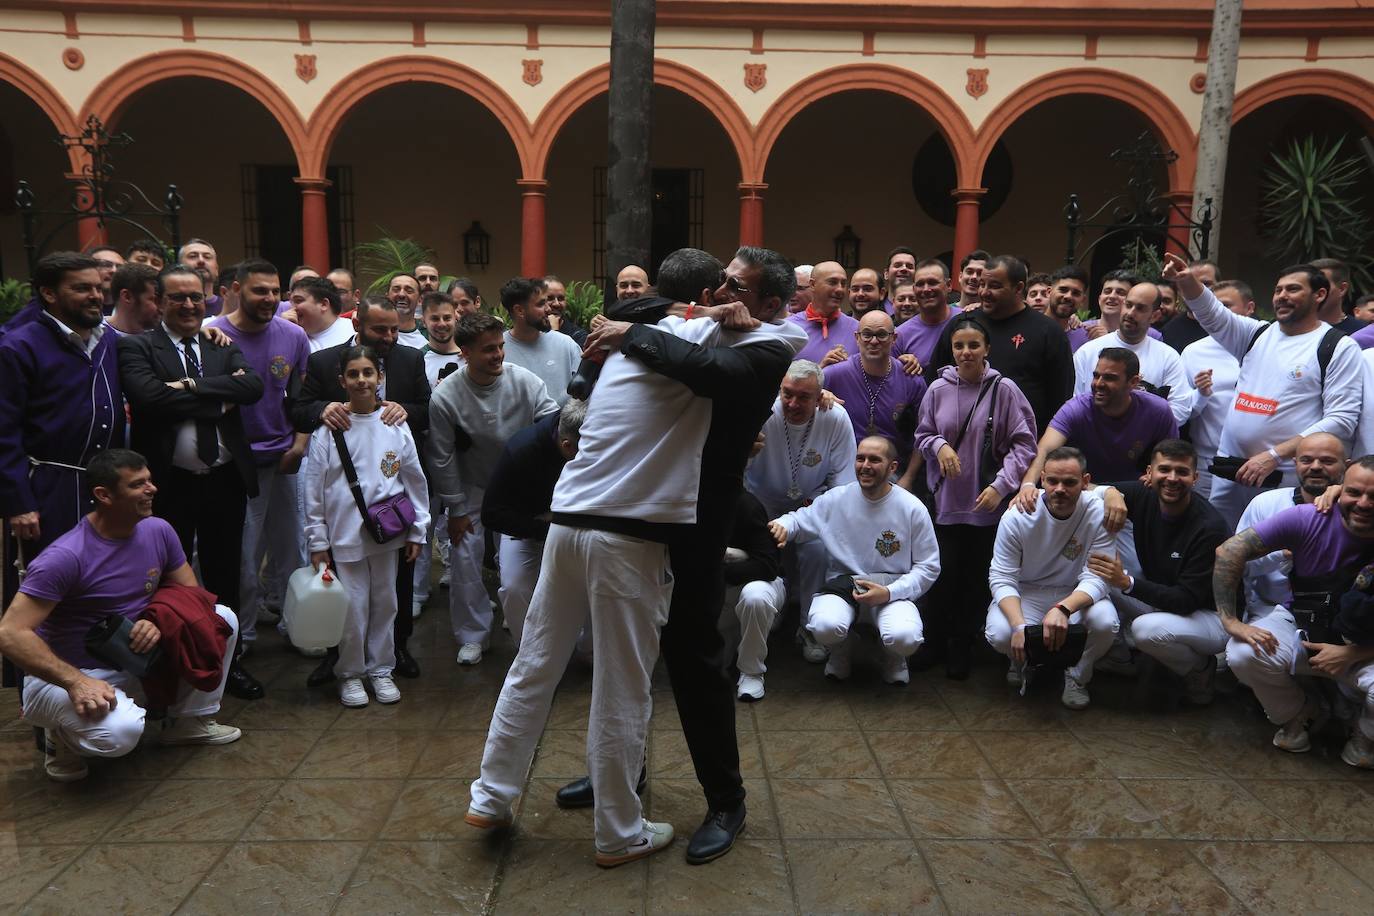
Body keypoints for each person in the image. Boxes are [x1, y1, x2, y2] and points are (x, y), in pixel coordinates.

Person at [469, 247, 806, 868]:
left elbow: (709, 370)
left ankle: (724, 801)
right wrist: (645, 322)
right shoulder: (676, 320)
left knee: (691, 659)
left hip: (700, 520)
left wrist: (635, 335)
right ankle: (617, 782)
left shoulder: (769, 346)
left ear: (771, 305)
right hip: (629, 513)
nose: (720, 292)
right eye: (717, 282)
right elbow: (634, 309)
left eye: (737, 286)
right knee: (620, 659)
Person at [0, 450, 241, 782]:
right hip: (66, 678)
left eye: (150, 480)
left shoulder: (158, 530)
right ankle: (60, 736)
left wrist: (157, 617)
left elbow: (191, 593)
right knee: (123, 734)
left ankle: (188, 723)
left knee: (221, 617)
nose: (152, 489)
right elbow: (10, 633)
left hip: (132, 660)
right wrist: (77, 683)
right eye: (138, 484)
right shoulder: (65, 557)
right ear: (104, 495)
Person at [118, 264, 264, 648]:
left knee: (224, 574)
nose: (188, 305)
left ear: (207, 300)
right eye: (178, 297)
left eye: (196, 297)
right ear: (160, 302)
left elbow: (251, 387)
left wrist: (188, 386)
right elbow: (150, 398)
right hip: (168, 484)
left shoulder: (219, 343)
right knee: (167, 576)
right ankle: (174, 656)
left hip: (224, 480)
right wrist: (218, 403)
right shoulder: (137, 346)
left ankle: (226, 658)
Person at [1163, 253, 1363, 528]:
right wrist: (1186, 280)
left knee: (1272, 557)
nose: (1281, 295)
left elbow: (1341, 419)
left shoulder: (1337, 346)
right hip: (1229, 472)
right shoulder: (1255, 334)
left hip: (1282, 475)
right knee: (1220, 544)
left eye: (1293, 289)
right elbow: (1211, 312)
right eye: (1278, 289)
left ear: (1319, 295)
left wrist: (1273, 456)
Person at [292, 295, 431, 681]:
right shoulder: (324, 363)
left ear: (379, 377)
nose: (389, 336)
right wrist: (323, 410)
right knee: (348, 599)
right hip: (343, 514)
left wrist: (403, 409)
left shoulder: (409, 358)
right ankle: (344, 665)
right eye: (379, 329)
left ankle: (389, 657)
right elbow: (298, 409)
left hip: (389, 514)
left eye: (393, 329)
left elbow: (424, 408)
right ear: (358, 326)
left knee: (390, 595)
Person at [1218, 456, 1374, 770]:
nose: (1364, 503)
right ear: (1339, 489)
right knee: (1243, 652)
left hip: (1366, 647)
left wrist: (1352, 654)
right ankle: (1300, 712)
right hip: (1303, 625)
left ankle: (1365, 735)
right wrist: (1230, 620)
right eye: (1355, 492)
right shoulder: (1309, 517)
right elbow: (1229, 551)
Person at [206, 259, 311, 698]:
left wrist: (300, 444)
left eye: (276, 291)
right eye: (259, 291)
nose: (270, 299)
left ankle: (298, 626)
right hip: (236, 463)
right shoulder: (212, 333)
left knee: (293, 549)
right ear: (235, 289)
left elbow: (302, 396)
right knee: (244, 558)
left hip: (285, 457)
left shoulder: (294, 336)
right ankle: (242, 639)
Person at [428, 312, 558, 665]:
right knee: (464, 557)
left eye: (500, 346)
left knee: (514, 567)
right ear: (465, 353)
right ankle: (472, 634)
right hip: (472, 485)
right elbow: (442, 457)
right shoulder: (446, 396)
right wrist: (454, 509)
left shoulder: (527, 383)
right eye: (488, 349)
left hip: (519, 488)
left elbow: (553, 428)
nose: (498, 354)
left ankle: (521, 625)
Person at [914, 315, 1037, 678]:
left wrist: (1001, 486)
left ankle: (962, 646)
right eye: (958, 346)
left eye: (973, 345)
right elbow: (921, 435)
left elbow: (1024, 443)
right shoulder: (937, 389)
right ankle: (932, 641)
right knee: (942, 574)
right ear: (951, 350)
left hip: (987, 502)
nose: (966, 352)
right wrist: (939, 446)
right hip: (946, 502)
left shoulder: (1005, 390)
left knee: (974, 579)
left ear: (986, 349)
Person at [0, 252, 125, 607]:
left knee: (100, 581)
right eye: (81, 288)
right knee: (47, 588)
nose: (95, 296)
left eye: (99, 288)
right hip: (47, 488)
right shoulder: (18, 346)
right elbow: (4, 431)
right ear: (49, 293)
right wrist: (18, 502)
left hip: (101, 485)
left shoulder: (107, 339)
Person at [770, 435, 940, 684]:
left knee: (905, 637)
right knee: (823, 626)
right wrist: (782, 525)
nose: (865, 465)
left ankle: (893, 657)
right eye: (860, 458)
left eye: (874, 459)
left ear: (892, 467)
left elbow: (928, 566)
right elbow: (800, 519)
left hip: (891, 588)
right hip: (844, 585)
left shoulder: (912, 508)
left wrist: (890, 592)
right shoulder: (837, 498)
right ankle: (842, 649)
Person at [1088, 440, 1231, 703]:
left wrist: (1127, 582)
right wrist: (1110, 493)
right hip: (1167, 598)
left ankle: (1201, 669)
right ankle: (1118, 655)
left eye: (1182, 472)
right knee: (1098, 570)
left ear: (1195, 478)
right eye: (1164, 470)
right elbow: (1085, 487)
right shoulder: (1144, 495)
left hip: (1210, 616)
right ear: (1149, 473)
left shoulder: (1209, 527)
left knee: (1146, 631)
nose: (1172, 479)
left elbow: (1185, 600)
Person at [986, 446, 1119, 708]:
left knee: (1106, 624)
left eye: (1070, 482)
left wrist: (1063, 608)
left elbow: (1098, 577)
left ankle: (1077, 674)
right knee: (1000, 633)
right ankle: (1022, 659)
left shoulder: (1097, 511)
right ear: (1042, 478)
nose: (1059, 489)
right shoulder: (1017, 515)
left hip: (1074, 592)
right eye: (1052, 481)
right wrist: (1019, 627)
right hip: (1028, 591)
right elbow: (1002, 577)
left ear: (1085, 482)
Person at [744, 359, 857, 662]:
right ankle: (771, 612)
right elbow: (739, 469)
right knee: (763, 550)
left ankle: (809, 625)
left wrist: (813, 514)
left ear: (820, 395)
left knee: (818, 551)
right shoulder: (761, 410)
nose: (793, 403)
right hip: (762, 500)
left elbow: (842, 482)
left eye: (804, 397)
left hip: (813, 502)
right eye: (787, 394)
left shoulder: (835, 417)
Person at [928, 254, 1074, 435]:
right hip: (960, 444)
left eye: (995, 286)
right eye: (982, 284)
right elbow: (934, 383)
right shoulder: (962, 324)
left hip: (1025, 447)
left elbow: (1060, 400)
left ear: (1018, 288)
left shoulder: (1048, 332)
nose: (984, 292)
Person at [481, 399, 588, 646]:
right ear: (567, 445)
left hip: (579, 526)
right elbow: (491, 513)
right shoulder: (522, 450)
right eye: (586, 451)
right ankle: (530, 652)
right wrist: (543, 527)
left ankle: (586, 650)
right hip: (528, 526)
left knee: (600, 583)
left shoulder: (598, 441)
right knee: (514, 588)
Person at [1020, 348, 1178, 489]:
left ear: (1133, 382)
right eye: (1096, 376)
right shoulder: (1077, 408)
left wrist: (1154, 475)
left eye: (1110, 378)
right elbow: (1045, 449)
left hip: (1136, 489)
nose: (1099, 384)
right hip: (1086, 491)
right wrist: (1028, 485)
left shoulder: (1158, 410)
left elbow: (1171, 458)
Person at [1237, 433, 1347, 614]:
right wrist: (1281, 553)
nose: (1316, 467)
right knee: (1242, 644)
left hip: (1338, 616)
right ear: (1295, 463)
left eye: (1327, 461)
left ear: (1346, 465)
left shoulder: (1358, 508)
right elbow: (1239, 566)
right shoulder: (1266, 503)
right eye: (1306, 460)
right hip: (1269, 610)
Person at [1072, 281, 1192, 427]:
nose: (1130, 313)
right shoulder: (1087, 352)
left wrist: (1139, 430)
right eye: (1128, 305)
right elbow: (1075, 403)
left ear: (1155, 316)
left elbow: (1180, 408)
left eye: (1140, 308)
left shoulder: (1168, 357)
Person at [823, 310, 927, 469]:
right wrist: (817, 395)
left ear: (894, 338)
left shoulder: (911, 378)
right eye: (867, 334)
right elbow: (795, 396)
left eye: (881, 334)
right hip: (842, 468)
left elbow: (924, 433)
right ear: (857, 338)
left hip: (894, 470)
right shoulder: (834, 374)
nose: (873, 341)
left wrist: (908, 479)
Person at [1180, 280, 1253, 498]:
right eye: (1216, 306)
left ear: (1249, 308)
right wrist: (1201, 394)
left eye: (1227, 305)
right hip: (1208, 463)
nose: (1219, 313)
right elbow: (1184, 413)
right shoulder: (1193, 352)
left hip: (1260, 463)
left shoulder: (1269, 346)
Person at [723, 489, 785, 701]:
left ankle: (752, 671)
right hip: (718, 591)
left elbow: (768, 566)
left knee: (755, 597)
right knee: (718, 661)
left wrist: (718, 567)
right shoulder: (686, 503)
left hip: (758, 583)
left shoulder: (745, 504)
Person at [501, 276, 582, 406]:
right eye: (540, 304)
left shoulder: (566, 345)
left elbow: (586, 396)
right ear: (519, 310)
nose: (549, 309)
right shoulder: (498, 349)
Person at [893, 258, 960, 367]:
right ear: (914, 289)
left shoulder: (966, 319)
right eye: (920, 284)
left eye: (932, 283)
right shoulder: (901, 335)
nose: (926, 289)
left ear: (948, 285)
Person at [789, 260, 859, 364]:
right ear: (812, 285)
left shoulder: (858, 330)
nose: (840, 289)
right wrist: (820, 370)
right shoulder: (789, 328)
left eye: (843, 284)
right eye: (832, 282)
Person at [286, 276, 354, 352]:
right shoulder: (290, 336)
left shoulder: (354, 330)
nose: (292, 308)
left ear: (324, 304)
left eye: (298, 300)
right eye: (291, 303)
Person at [102, 262, 160, 337]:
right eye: (153, 300)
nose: (161, 308)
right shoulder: (96, 335)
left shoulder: (161, 340)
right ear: (127, 296)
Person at [1311, 258, 1364, 335]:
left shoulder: (1362, 334)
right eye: (1309, 286)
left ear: (1342, 289)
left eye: (1321, 285)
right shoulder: (1291, 330)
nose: (1313, 292)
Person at [1045, 265, 1091, 353]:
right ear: (1048, 292)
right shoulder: (1028, 329)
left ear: (1083, 300)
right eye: (1063, 290)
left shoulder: (1086, 339)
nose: (1068, 296)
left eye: (1076, 293)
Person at [179, 239, 221, 315]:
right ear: (179, 267)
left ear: (216, 269)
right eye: (193, 256)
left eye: (207, 257)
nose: (201, 260)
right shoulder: (171, 308)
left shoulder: (230, 308)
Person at [543, 274, 588, 346]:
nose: (556, 304)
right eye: (550, 298)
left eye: (561, 299)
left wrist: (555, 332)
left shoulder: (578, 335)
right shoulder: (532, 334)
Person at [386, 273, 425, 348]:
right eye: (396, 290)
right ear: (387, 296)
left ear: (419, 300)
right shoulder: (373, 331)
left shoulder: (429, 336)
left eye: (409, 291)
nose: (401, 295)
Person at [881, 247, 916, 314]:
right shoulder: (872, 308)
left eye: (909, 266)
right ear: (886, 274)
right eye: (897, 265)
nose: (904, 269)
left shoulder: (925, 311)